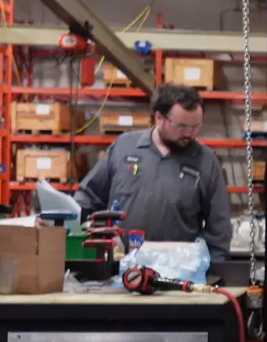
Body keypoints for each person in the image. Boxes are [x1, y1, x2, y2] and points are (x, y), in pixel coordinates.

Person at [74, 83, 232, 261]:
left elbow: (219, 226)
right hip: (119, 264)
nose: (189, 133)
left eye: (195, 126)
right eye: (181, 126)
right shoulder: (124, 147)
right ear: (159, 118)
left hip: (178, 272)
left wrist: (212, 270)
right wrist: (60, 222)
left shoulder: (206, 161)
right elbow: (89, 196)